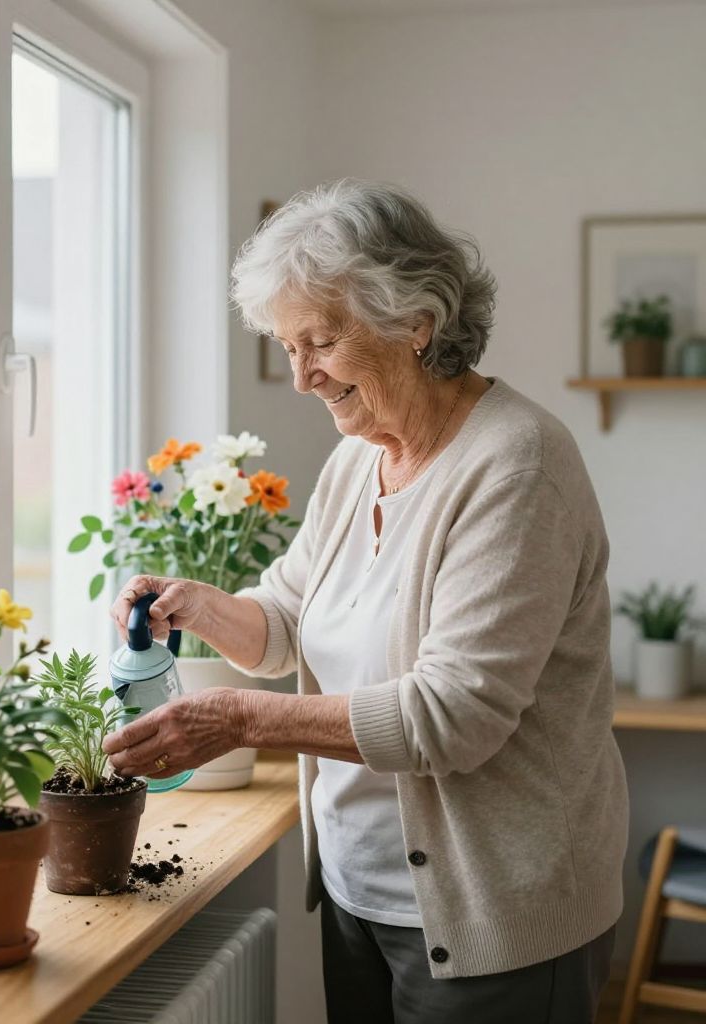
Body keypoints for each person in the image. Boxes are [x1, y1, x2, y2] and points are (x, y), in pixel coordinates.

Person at [102, 180, 627, 1024]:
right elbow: (284, 625)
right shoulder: (358, 460)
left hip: (495, 912)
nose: (303, 376)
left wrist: (238, 721)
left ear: (416, 322)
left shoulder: (517, 465)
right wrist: (198, 605)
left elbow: (453, 719)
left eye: (322, 341)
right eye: (286, 345)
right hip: (359, 894)